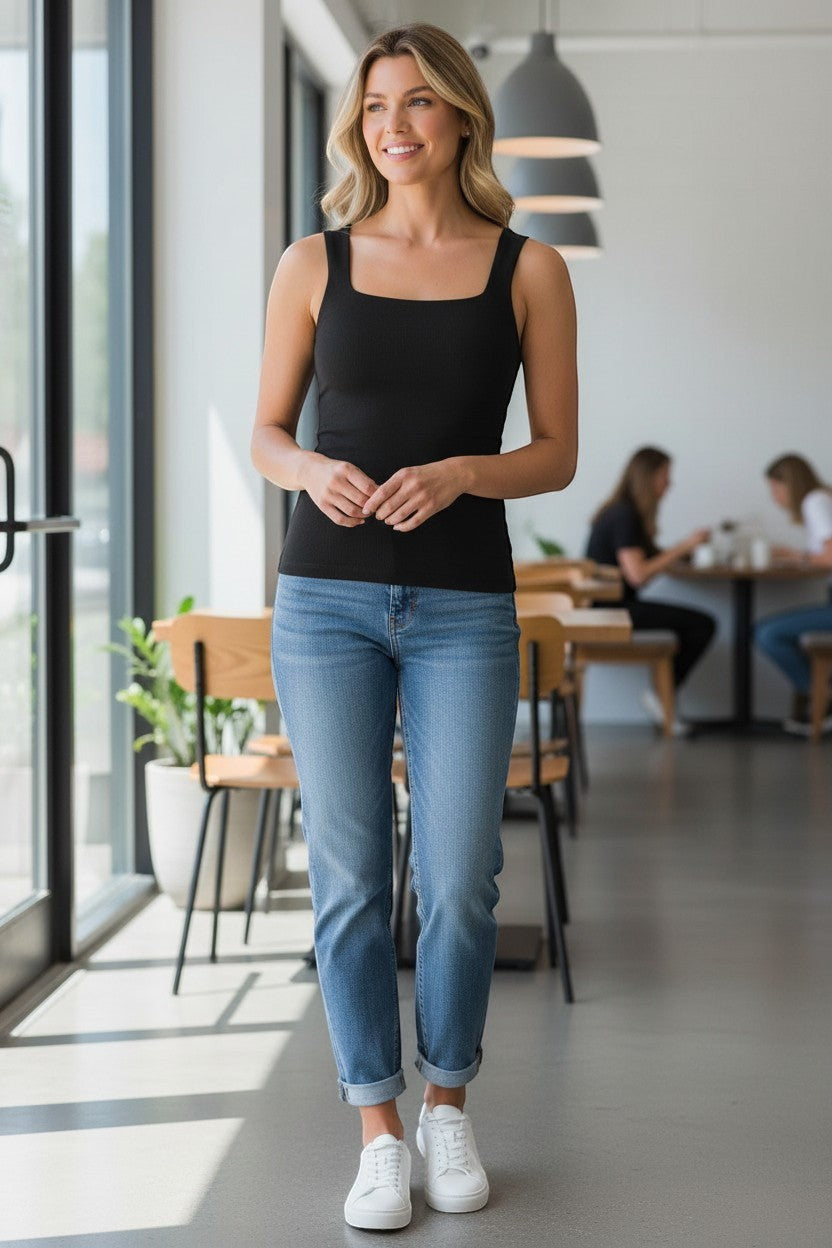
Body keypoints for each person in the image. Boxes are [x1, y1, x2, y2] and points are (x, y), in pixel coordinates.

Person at [250, 22, 578, 1231]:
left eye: (420, 103)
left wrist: (461, 474)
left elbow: (556, 452)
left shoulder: (528, 269)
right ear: (360, 126)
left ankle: (447, 1104)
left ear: (462, 120)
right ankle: (377, 1128)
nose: (395, 125)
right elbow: (266, 432)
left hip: (463, 607)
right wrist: (307, 470)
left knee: (461, 877)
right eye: (377, 105)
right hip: (324, 602)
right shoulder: (312, 262)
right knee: (346, 876)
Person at [585, 446, 716, 735]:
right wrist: (685, 546)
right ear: (648, 477)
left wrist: (683, 552)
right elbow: (638, 575)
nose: (669, 484)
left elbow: (647, 563)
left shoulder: (623, 512)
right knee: (702, 624)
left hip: (611, 607)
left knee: (698, 624)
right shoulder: (624, 515)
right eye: (665, 476)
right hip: (609, 611)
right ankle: (662, 696)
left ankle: (663, 696)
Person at [754, 454, 832, 735]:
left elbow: (830, 557)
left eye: (775, 488)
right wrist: (795, 556)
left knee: (767, 634)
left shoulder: (815, 502)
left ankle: (823, 698)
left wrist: (796, 556)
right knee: (765, 630)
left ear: (789, 484)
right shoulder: (821, 500)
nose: (774, 497)